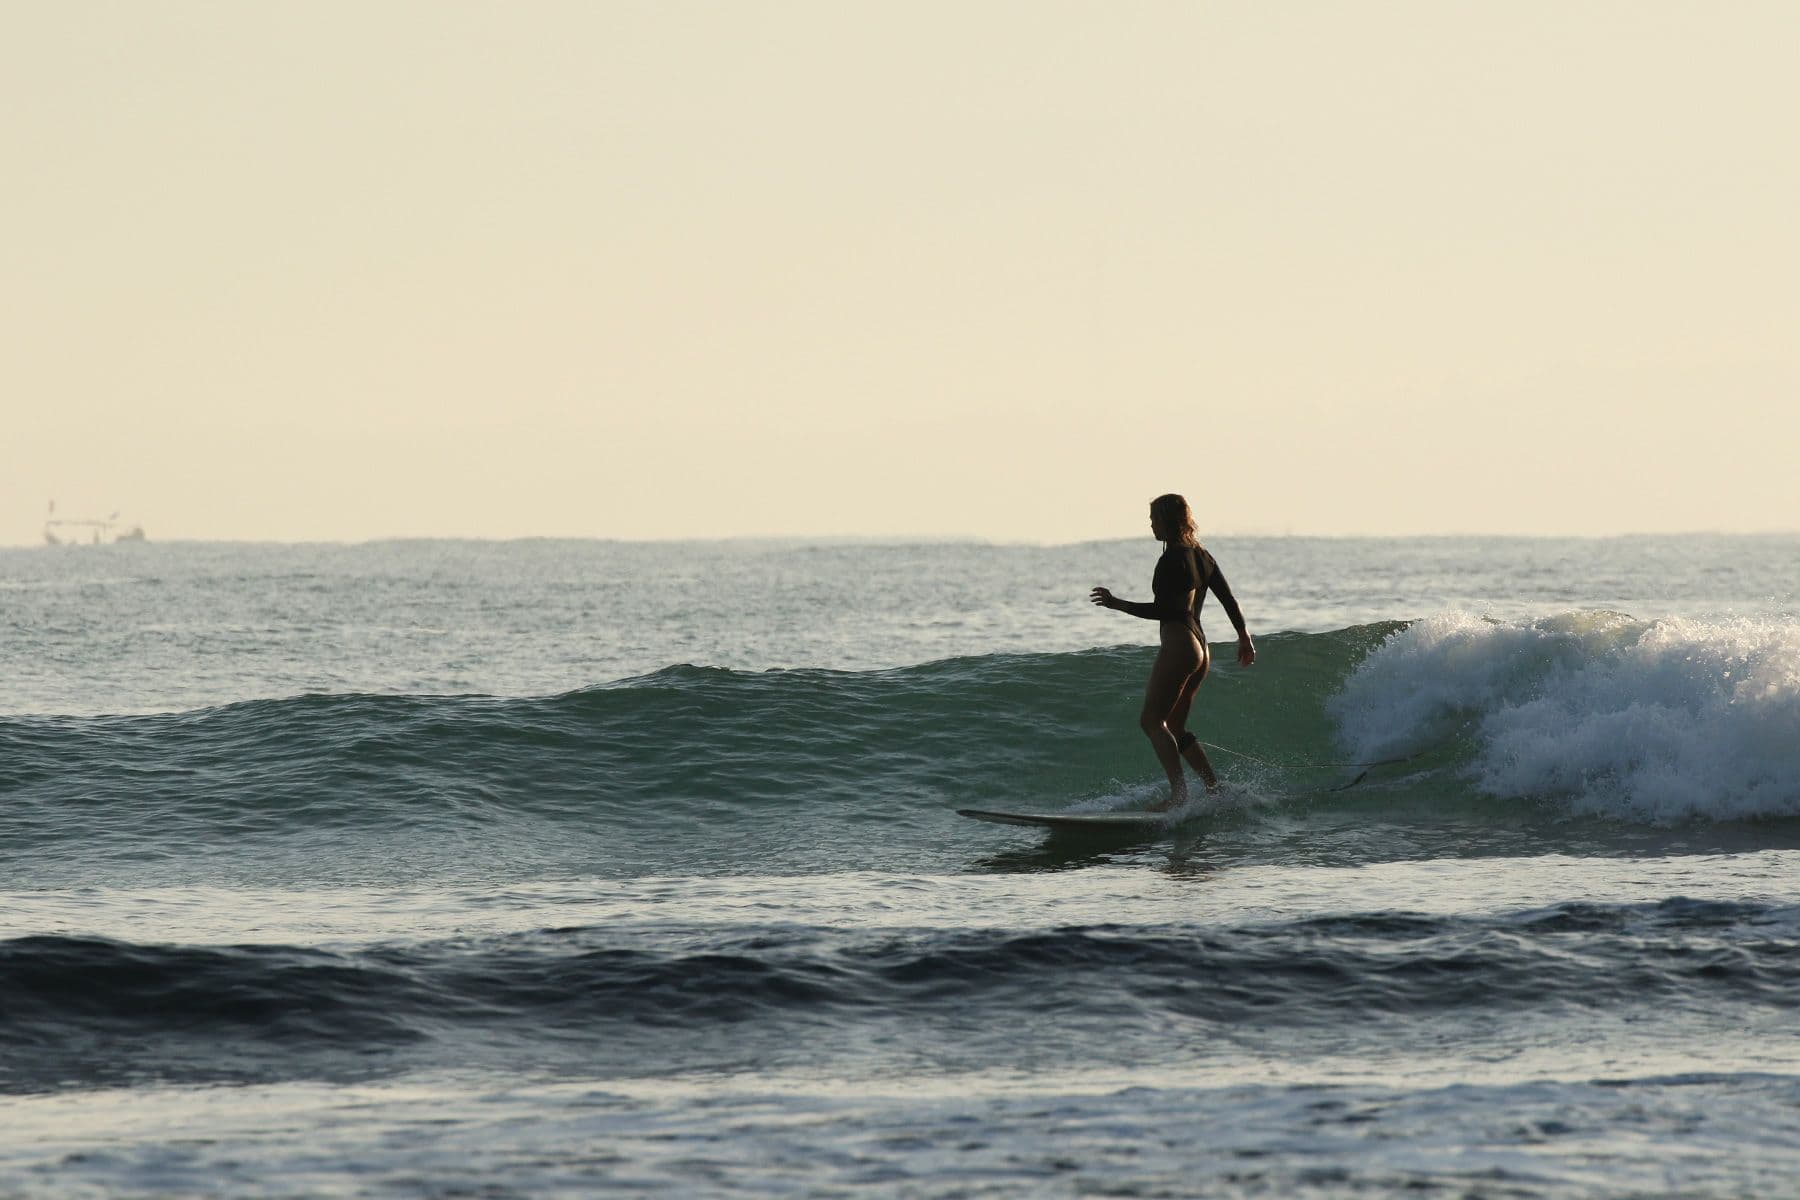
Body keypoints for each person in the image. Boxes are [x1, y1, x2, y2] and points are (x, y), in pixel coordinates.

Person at [1090, 494, 1255, 809]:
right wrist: (1243, 636)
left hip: (1180, 643)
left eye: (1154, 518)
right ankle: (1213, 789)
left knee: (1151, 721)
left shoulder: (1172, 559)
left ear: (1169, 520)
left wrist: (1116, 604)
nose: (1151, 524)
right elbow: (1229, 599)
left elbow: (1164, 611)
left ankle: (1179, 795)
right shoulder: (1202, 555)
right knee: (1175, 727)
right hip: (1200, 648)